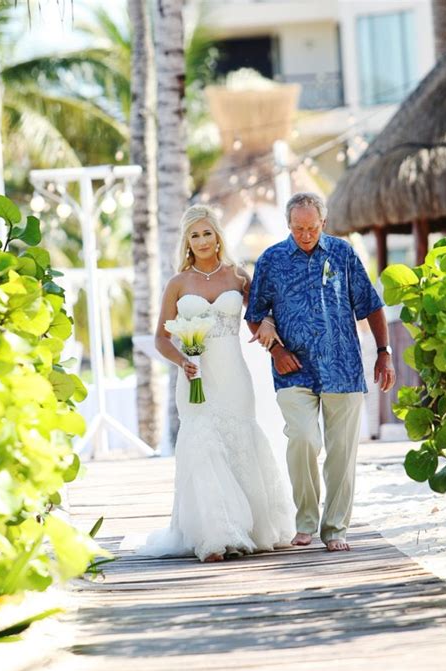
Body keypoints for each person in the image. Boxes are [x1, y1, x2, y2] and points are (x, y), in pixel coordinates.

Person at [133, 204, 296, 563]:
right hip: (194, 377)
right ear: (187, 242)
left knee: (239, 439)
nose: (202, 240)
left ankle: (249, 530)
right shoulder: (178, 283)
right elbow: (161, 338)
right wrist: (183, 361)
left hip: (233, 374)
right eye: (195, 235)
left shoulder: (238, 276)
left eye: (207, 233)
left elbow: (258, 320)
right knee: (203, 445)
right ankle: (215, 536)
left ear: (218, 236)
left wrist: (268, 326)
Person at [245, 192, 396, 553]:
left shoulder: (343, 254)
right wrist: (276, 350)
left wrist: (384, 353)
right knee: (303, 439)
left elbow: (372, 306)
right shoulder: (272, 260)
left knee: (342, 453)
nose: (306, 234)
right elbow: (254, 316)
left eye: (312, 228)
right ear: (288, 225)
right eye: (298, 228)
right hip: (292, 370)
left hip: (342, 367)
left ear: (323, 224)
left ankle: (335, 528)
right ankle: (306, 521)